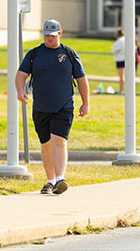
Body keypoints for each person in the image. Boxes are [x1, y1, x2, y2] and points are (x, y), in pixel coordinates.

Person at [16, 19, 90, 195]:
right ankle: (49, 181)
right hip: (41, 106)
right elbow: (20, 75)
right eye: (46, 36)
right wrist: (20, 91)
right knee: (46, 143)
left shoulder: (69, 54)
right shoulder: (34, 54)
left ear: (60, 33)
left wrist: (86, 102)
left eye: (52, 36)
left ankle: (60, 179)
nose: (49, 39)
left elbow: (81, 79)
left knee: (59, 141)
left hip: (63, 106)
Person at [111, 28, 126, 94]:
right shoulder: (127, 40)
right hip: (127, 59)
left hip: (120, 59)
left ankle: (121, 90)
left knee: (121, 76)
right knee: (126, 76)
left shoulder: (119, 41)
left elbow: (113, 50)